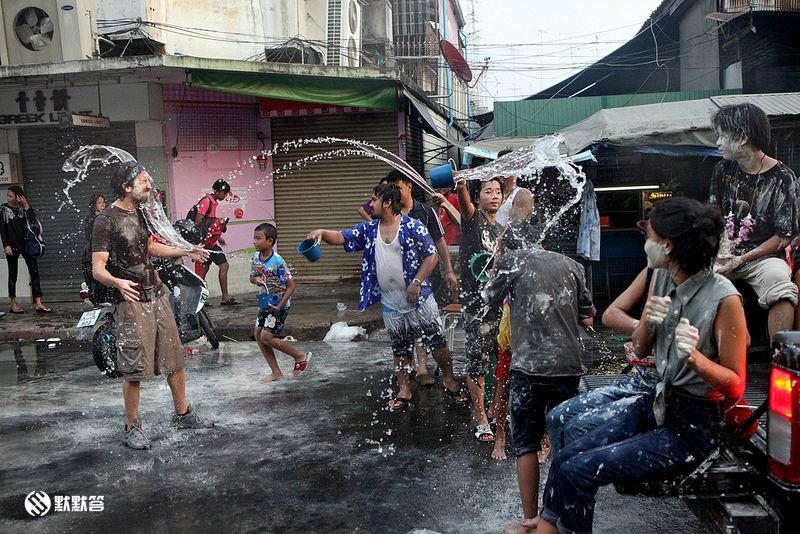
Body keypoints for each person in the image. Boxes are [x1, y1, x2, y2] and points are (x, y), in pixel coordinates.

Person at [537, 197, 747, 534]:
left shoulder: (724, 299)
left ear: (667, 245)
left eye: (649, 235)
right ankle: (548, 523)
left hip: (694, 429)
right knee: (564, 460)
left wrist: (694, 357)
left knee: (579, 470)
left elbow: (735, 385)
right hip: (657, 405)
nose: (644, 241)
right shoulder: (663, 276)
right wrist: (647, 323)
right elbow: (641, 345)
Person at [307, 183, 468, 410]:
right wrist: (322, 233)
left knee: (437, 343)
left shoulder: (413, 227)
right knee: (400, 347)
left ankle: (450, 381)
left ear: (387, 203)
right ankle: (404, 389)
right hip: (391, 302)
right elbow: (343, 237)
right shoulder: (369, 230)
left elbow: (431, 257)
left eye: (374, 200)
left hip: (420, 299)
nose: (370, 205)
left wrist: (416, 282)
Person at [91, 161, 214, 450]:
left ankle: (183, 413)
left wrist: (186, 250)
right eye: (143, 180)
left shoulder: (141, 214)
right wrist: (118, 283)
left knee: (174, 357)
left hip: (157, 293)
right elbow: (98, 267)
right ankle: (132, 426)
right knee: (134, 367)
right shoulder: (105, 220)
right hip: (131, 299)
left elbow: (149, 247)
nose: (149, 185)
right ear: (126, 186)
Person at [482, 222, 595, 534]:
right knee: (564, 444)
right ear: (541, 239)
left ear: (511, 245)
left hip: (529, 369)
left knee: (527, 445)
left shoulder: (511, 263)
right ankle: (558, 518)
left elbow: (487, 303)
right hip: (568, 367)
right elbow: (587, 313)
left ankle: (531, 520)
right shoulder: (572, 265)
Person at [545, 266, 661, 461]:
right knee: (556, 418)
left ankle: (572, 474)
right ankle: (563, 475)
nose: (649, 244)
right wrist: (643, 327)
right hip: (640, 379)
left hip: (664, 391)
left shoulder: (713, 290)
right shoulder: (654, 272)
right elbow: (610, 315)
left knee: (576, 429)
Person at [708, 103, 798, 341]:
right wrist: (725, 252)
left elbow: (783, 235)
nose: (717, 142)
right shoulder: (721, 169)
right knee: (692, 282)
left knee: (781, 287)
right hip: (725, 255)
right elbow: (714, 216)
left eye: (722, 136)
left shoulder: (782, 177)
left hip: (763, 258)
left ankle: (780, 359)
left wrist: (742, 258)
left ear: (742, 136)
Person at [386, 170, 459, 386]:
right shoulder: (390, 214)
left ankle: (424, 367)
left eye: (398, 187)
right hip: (397, 281)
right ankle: (410, 371)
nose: (395, 192)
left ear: (409, 186)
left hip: (427, 280)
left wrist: (449, 271)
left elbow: (440, 243)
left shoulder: (426, 213)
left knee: (427, 323)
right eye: (392, 189)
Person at [454, 176, 504, 443]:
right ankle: (481, 416)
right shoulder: (474, 221)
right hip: (476, 306)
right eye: (488, 191)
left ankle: (495, 410)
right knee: (477, 362)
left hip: (500, 307)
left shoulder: (502, 230)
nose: (494, 195)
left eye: (498, 191)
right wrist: (461, 187)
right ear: (478, 197)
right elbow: (464, 207)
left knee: (500, 361)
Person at [250, 222, 311, 383]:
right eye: (254, 238)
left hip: (279, 304)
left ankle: (299, 355)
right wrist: (256, 280)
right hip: (265, 303)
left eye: (258, 238)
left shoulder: (277, 261)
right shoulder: (256, 257)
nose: (254, 241)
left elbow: (291, 286)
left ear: (269, 241)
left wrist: (279, 305)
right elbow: (252, 277)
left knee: (266, 336)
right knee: (258, 334)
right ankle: (276, 372)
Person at [1, 185, 51, 313]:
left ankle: (38, 302)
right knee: (13, 274)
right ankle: (13, 303)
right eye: (8, 195)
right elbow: (2, 229)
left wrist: (26, 204)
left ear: (19, 197)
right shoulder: (4, 208)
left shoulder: (24, 208)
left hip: (27, 244)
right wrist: (6, 245)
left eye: (11, 196)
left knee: (34, 272)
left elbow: (33, 221)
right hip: (12, 245)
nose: (8, 198)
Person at [192, 179, 238, 306]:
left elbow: (209, 223)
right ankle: (224, 297)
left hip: (208, 242)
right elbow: (198, 222)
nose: (224, 196)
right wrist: (202, 241)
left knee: (204, 269)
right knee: (223, 266)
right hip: (206, 244)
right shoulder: (206, 202)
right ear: (219, 192)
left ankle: (200, 299)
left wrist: (218, 237)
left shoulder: (211, 202)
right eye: (224, 193)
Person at [495, 150, 534, 227]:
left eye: (506, 167)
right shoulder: (495, 193)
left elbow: (513, 229)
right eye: (499, 167)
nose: (501, 171)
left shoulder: (522, 194)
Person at [81, 193, 106, 289]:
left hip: (105, 251)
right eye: (99, 202)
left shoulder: (107, 217)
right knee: (95, 275)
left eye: (103, 202)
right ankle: (93, 296)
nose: (102, 205)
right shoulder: (91, 219)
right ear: (94, 205)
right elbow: (89, 236)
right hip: (93, 251)